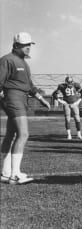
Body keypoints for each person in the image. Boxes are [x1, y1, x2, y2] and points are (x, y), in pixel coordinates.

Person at [0, 32, 50, 184]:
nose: (28, 48)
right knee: (23, 134)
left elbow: (30, 86)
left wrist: (41, 99)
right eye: (24, 45)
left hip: (21, 98)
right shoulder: (7, 60)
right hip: (13, 98)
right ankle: (15, 174)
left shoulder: (24, 63)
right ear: (16, 45)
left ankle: (5, 172)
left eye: (29, 45)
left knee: (10, 134)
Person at [52, 76, 82, 140]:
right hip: (66, 104)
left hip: (74, 104)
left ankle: (79, 134)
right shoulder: (62, 86)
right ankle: (69, 135)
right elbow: (54, 94)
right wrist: (61, 101)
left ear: (72, 81)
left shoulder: (76, 85)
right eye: (68, 82)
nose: (69, 83)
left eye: (70, 82)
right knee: (67, 119)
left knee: (77, 119)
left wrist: (77, 102)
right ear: (66, 81)